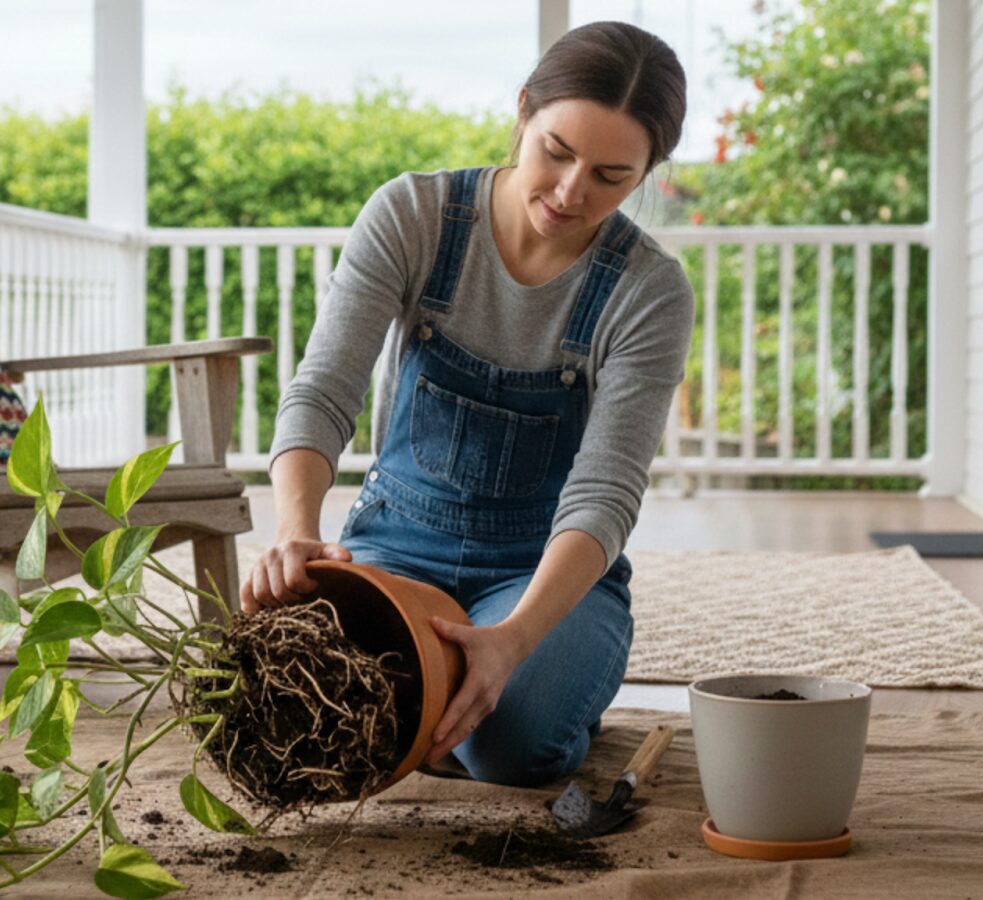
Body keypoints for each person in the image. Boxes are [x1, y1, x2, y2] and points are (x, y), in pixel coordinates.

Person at [241, 21, 694, 787]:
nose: (569, 191)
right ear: (523, 111)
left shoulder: (649, 291)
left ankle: (504, 686)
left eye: (612, 176)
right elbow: (323, 390)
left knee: (510, 747)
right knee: (301, 699)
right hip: (395, 547)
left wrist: (514, 641)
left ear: (649, 170)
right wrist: (296, 533)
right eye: (556, 151)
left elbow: (605, 492)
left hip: (539, 572)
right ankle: (441, 699)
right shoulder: (413, 217)